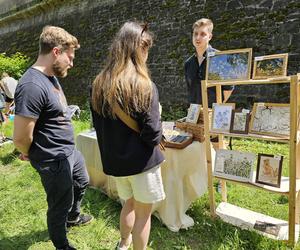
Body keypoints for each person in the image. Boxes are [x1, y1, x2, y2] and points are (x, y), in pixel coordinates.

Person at [13, 26, 92, 250]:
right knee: (59, 203)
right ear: (56, 52)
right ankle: (62, 245)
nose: (72, 63)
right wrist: (29, 152)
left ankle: (73, 218)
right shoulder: (31, 85)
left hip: (69, 151)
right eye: (70, 56)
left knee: (82, 181)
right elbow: (19, 137)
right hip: (52, 158)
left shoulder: (50, 77)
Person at [91, 21, 165, 250]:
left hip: (117, 163)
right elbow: (153, 135)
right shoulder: (144, 85)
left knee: (128, 205)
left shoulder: (98, 84)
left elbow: (97, 126)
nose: (147, 55)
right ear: (138, 48)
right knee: (143, 214)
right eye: (146, 49)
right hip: (142, 163)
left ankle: (123, 244)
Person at [184, 18, 234, 106]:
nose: (198, 37)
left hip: (214, 112)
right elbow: (190, 90)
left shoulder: (220, 58)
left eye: (202, 34)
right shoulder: (188, 63)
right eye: (195, 34)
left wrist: (216, 107)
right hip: (195, 113)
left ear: (210, 37)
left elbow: (228, 89)